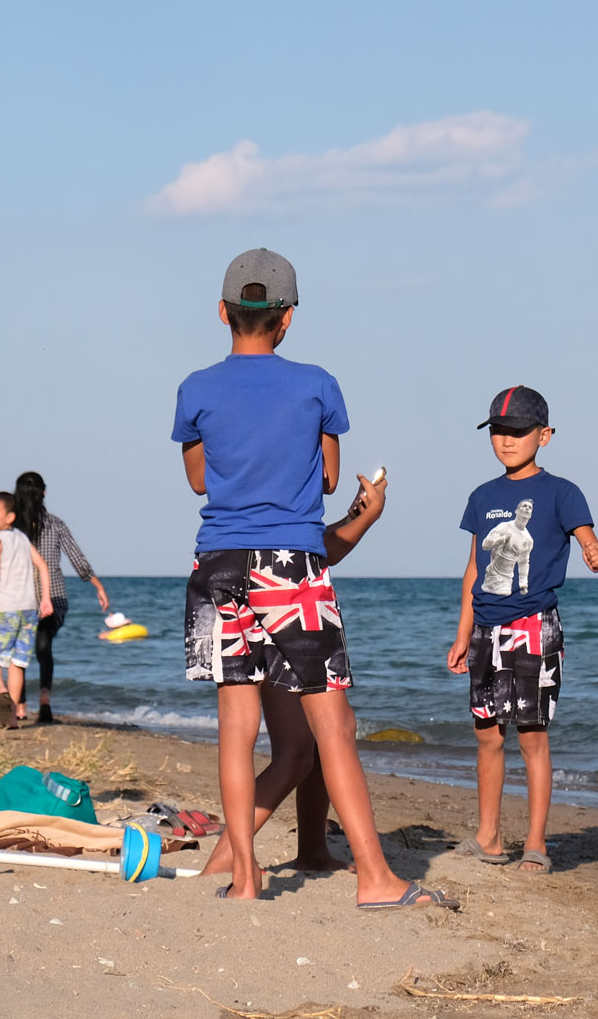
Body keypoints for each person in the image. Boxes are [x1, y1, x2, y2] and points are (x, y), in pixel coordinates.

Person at [175, 248, 452, 908]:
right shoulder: (317, 384)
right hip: (288, 567)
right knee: (334, 726)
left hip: (216, 565)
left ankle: (244, 877)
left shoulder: (195, 388)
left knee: (236, 728)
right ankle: (375, 878)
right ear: (287, 319)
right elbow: (328, 477)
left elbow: (196, 479)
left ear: (222, 312)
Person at [446, 387, 598, 874]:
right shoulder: (483, 497)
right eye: (499, 430)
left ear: (545, 436)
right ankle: (489, 837)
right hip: (484, 631)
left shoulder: (562, 492)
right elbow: (473, 569)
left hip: (534, 626)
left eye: (518, 431)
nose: (507, 439)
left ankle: (536, 844)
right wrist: (461, 634)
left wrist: (592, 548)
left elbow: (585, 534)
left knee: (531, 737)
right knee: (487, 736)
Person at [198, 471, 389, 878]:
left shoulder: (244, 485)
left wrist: (359, 517)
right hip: (282, 586)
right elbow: (313, 540)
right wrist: (365, 518)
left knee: (309, 742)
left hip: (230, 573)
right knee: (303, 747)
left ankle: (311, 852)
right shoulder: (288, 476)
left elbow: (312, 544)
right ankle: (226, 860)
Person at [0, 471, 109, 724]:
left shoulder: (11, 529)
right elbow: (76, 557)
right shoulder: (55, 524)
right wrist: (97, 585)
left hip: (17, 601)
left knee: (18, 654)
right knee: (42, 648)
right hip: (52, 597)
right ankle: (44, 699)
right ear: (45, 493)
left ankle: (19, 706)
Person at [0, 492, 54, 729]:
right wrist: (45, 599)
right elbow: (42, 565)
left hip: (2, 608)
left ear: (10, 517)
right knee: (18, 663)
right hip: (28, 608)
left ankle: (1, 691)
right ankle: (13, 718)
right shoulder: (23, 538)